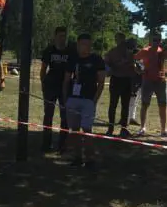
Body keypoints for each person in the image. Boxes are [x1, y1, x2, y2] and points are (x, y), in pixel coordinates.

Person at [63, 33, 106, 169]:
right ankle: (77, 157)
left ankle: (90, 159)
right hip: (73, 99)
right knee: (74, 130)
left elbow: (101, 82)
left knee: (87, 130)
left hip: (88, 100)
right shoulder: (73, 59)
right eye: (83, 44)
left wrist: (94, 100)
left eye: (88, 45)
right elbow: (66, 80)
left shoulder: (97, 59)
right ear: (78, 45)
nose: (85, 47)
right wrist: (66, 98)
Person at [40, 26, 71, 152]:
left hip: (65, 86)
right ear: (55, 37)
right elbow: (43, 69)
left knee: (65, 116)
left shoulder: (70, 51)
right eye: (60, 36)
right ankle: (46, 144)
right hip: (50, 86)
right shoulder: (49, 50)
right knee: (48, 115)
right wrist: (43, 85)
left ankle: (62, 144)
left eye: (64, 36)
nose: (62, 38)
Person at [134, 34, 167, 137]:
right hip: (147, 81)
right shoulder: (145, 50)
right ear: (151, 40)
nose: (156, 42)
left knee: (163, 105)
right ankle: (142, 128)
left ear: (160, 40)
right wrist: (139, 70)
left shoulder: (162, 51)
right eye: (154, 40)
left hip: (161, 81)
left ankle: (163, 130)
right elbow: (134, 59)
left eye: (158, 40)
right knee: (145, 104)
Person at [104, 32, 135, 138]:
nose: (120, 41)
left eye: (121, 39)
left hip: (126, 80)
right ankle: (110, 128)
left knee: (125, 106)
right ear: (116, 40)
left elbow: (135, 67)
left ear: (124, 40)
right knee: (113, 105)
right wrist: (109, 70)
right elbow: (105, 63)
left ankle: (124, 129)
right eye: (117, 39)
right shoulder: (112, 52)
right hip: (115, 80)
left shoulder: (130, 53)